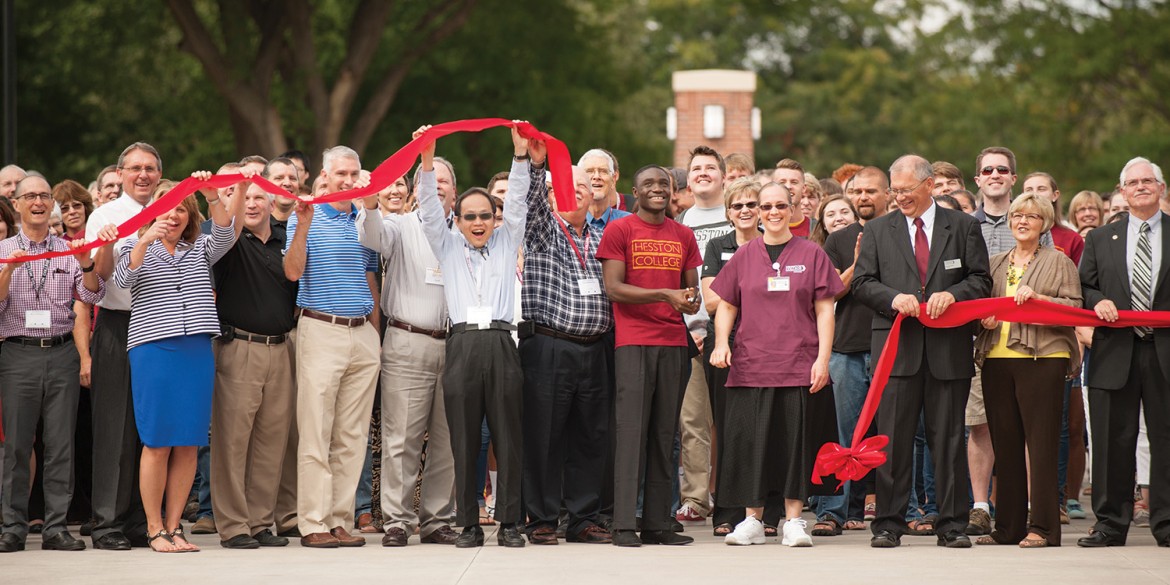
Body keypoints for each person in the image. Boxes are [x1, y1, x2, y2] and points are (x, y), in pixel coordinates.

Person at [852, 154, 991, 549]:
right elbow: (862, 282)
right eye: (894, 191)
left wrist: (954, 293)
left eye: (906, 190)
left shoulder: (963, 226)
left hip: (948, 351)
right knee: (892, 440)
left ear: (929, 185)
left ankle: (951, 525)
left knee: (947, 439)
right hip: (897, 351)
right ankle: (889, 524)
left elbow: (981, 280)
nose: (899, 198)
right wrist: (893, 298)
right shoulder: (879, 230)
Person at [107, 173, 244, 553]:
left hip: (195, 349)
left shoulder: (199, 247)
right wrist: (144, 240)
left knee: (188, 440)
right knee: (157, 440)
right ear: (153, 213)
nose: (175, 215)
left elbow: (225, 233)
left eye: (182, 208)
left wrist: (213, 195)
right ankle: (153, 529)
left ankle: (173, 526)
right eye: (167, 208)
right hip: (154, 349)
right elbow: (120, 280)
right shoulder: (136, 243)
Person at [417, 123, 533, 549]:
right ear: (458, 220)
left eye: (486, 215)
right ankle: (467, 524)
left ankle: (510, 523)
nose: (479, 222)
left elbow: (517, 203)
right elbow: (429, 208)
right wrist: (427, 162)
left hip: (502, 344)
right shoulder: (446, 246)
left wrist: (520, 158)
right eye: (471, 216)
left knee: (509, 438)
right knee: (464, 440)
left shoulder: (506, 243)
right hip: (463, 344)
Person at [709, 181, 843, 548]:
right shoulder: (744, 255)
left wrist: (822, 358)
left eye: (779, 206)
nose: (771, 213)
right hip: (752, 365)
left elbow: (824, 309)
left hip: (799, 363)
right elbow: (727, 305)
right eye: (764, 206)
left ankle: (794, 520)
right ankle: (752, 520)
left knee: (794, 445)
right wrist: (722, 342)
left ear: (792, 207)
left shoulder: (812, 253)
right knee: (752, 445)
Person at [356, 155, 461, 548]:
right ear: (418, 190)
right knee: (402, 436)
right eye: (429, 181)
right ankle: (398, 520)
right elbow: (371, 237)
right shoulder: (398, 226)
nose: (437, 188)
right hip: (407, 339)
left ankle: (436, 520)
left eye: (444, 181)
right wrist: (369, 203)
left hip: (455, 344)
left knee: (448, 438)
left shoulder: (466, 231)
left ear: (453, 190)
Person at [596, 164, 701, 547]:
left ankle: (658, 522)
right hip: (633, 341)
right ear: (634, 192)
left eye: (663, 184)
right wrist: (664, 295)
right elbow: (614, 287)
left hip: (673, 343)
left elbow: (692, 293)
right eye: (648, 184)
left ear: (672, 192)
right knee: (631, 432)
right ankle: (624, 523)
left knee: (664, 433)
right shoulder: (620, 229)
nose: (656, 189)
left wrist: (689, 302)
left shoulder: (683, 234)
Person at [0, 176, 105, 553]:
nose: (39, 202)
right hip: (17, 352)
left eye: (45, 196)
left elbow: (93, 294)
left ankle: (56, 527)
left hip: (61, 352)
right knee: (16, 444)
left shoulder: (67, 249)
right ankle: (12, 525)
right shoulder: (3, 249)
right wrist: (8, 270)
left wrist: (87, 263)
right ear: (17, 204)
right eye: (31, 196)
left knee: (60, 443)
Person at [283, 145, 381, 549]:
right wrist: (303, 226)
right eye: (340, 173)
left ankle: (341, 519)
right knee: (316, 431)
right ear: (324, 176)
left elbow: (372, 279)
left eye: (353, 173)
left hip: (362, 333)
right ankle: (313, 522)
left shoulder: (363, 221)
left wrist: (375, 335)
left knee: (352, 436)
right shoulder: (303, 217)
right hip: (321, 328)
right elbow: (292, 273)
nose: (347, 180)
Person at [973, 192, 1081, 548]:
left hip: (1042, 359)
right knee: (1005, 446)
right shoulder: (995, 262)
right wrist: (983, 321)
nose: (1022, 221)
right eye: (1017, 215)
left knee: (1041, 444)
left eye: (1032, 217)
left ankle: (1045, 528)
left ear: (1045, 223)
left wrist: (1041, 299)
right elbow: (981, 309)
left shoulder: (1059, 261)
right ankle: (1008, 528)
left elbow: (1073, 309)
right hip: (997, 359)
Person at [518, 159, 614, 545]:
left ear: (594, 195)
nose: (574, 191)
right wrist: (538, 164)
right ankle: (541, 517)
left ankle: (582, 518)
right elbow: (534, 201)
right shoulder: (542, 229)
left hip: (595, 349)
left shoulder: (604, 236)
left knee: (591, 438)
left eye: (581, 187)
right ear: (551, 192)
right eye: (563, 185)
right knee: (543, 434)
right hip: (549, 344)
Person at [1078, 156, 1170, 548]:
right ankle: (1110, 523)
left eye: (1148, 181)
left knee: (1166, 438)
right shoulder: (1101, 238)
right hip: (1115, 350)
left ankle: (1165, 523)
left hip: (1164, 351)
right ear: (1123, 192)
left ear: (1161, 188)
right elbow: (1083, 287)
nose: (1140, 187)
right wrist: (1097, 301)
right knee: (1112, 439)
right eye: (1132, 183)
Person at [208, 181, 299, 549]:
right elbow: (222, 224)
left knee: (271, 441)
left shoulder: (283, 238)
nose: (251, 203)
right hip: (239, 348)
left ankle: (261, 521)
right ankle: (233, 525)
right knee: (232, 441)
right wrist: (228, 195)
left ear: (270, 201)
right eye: (243, 196)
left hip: (280, 349)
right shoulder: (228, 241)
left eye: (259, 196)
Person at [85, 142, 164, 551]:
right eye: (135, 168)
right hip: (118, 323)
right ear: (121, 173)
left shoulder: (171, 210)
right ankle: (106, 522)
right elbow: (94, 281)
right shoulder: (105, 216)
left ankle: (139, 518)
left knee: (148, 426)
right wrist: (107, 245)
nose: (143, 175)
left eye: (150, 168)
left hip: (159, 326)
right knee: (114, 425)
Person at [812, 166, 890, 536]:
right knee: (844, 434)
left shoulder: (900, 235)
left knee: (893, 432)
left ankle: (892, 511)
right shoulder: (840, 239)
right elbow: (826, 293)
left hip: (892, 345)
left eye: (870, 191)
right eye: (856, 191)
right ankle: (834, 511)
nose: (862, 198)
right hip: (846, 347)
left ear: (887, 194)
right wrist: (858, 264)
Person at [700, 178, 772, 536]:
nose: (745, 210)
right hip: (724, 346)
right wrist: (748, 271)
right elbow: (711, 301)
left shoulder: (774, 244)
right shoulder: (717, 245)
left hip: (769, 345)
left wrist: (736, 286)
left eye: (751, 204)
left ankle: (769, 512)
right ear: (728, 212)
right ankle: (727, 512)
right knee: (730, 430)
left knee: (770, 427)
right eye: (738, 205)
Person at [675, 146, 730, 528]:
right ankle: (696, 497)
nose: (703, 173)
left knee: (732, 419)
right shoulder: (676, 223)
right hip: (687, 337)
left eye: (711, 167)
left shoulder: (741, 218)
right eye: (696, 168)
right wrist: (688, 328)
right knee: (693, 421)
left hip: (733, 336)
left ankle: (733, 494)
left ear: (724, 177)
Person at [771, 159, 812, 237]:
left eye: (794, 182)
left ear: (803, 188)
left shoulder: (817, 229)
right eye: (782, 182)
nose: (788, 187)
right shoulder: (761, 230)